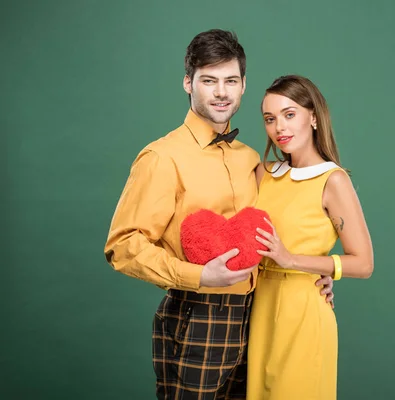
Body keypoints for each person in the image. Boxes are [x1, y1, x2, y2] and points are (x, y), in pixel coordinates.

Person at [103, 31, 333, 400]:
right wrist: (199, 275)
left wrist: (314, 272)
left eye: (230, 81)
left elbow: (275, 231)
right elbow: (122, 246)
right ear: (188, 83)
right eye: (209, 81)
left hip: (258, 315)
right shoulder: (162, 157)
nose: (221, 92)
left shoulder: (251, 158)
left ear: (243, 86)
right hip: (197, 316)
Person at [247, 75, 374, 399]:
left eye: (290, 114)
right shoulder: (264, 173)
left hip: (303, 315)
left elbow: (364, 263)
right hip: (259, 310)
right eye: (270, 118)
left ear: (313, 117)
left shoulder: (333, 181)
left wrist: (294, 260)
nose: (279, 128)